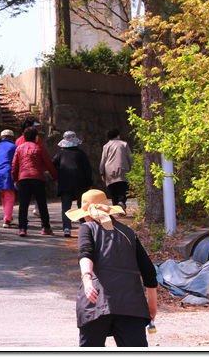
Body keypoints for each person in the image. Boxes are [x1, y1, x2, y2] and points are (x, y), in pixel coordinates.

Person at [66, 189, 158, 347]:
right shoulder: (128, 232)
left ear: (86, 214)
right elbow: (149, 270)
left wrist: (87, 278)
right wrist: (152, 305)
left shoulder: (87, 228)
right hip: (131, 304)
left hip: (96, 302)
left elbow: (85, 253)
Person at [11, 126, 58, 236]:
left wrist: (15, 179)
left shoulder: (19, 148)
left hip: (23, 178)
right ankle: (46, 227)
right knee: (42, 204)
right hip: (37, 178)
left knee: (23, 204)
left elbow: (14, 166)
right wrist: (56, 177)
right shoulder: (39, 148)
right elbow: (48, 164)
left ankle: (22, 228)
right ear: (36, 137)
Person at [52, 131, 93, 238]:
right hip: (80, 183)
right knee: (82, 206)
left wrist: (56, 177)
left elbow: (52, 166)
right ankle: (83, 226)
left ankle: (66, 229)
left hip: (64, 184)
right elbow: (87, 170)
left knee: (66, 207)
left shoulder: (60, 154)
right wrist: (89, 184)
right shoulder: (81, 154)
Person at [17, 119, 48, 217]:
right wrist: (46, 169)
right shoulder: (37, 139)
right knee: (39, 193)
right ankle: (39, 211)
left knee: (23, 200)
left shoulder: (18, 140)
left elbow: (16, 158)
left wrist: (15, 174)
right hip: (36, 170)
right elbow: (42, 154)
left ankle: (23, 223)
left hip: (22, 172)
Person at [0, 129, 18, 227]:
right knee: (10, 196)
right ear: (12, 138)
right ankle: (7, 219)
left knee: (3, 195)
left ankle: (7, 215)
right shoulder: (14, 147)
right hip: (9, 172)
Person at [100, 129, 134, 210]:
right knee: (124, 189)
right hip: (123, 169)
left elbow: (103, 160)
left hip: (110, 171)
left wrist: (102, 172)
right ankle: (121, 202)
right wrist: (133, 168)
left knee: (113, 192)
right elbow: (130, 158)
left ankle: (116, 209)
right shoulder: (124, 144)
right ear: (118, 135)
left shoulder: (106, 146)